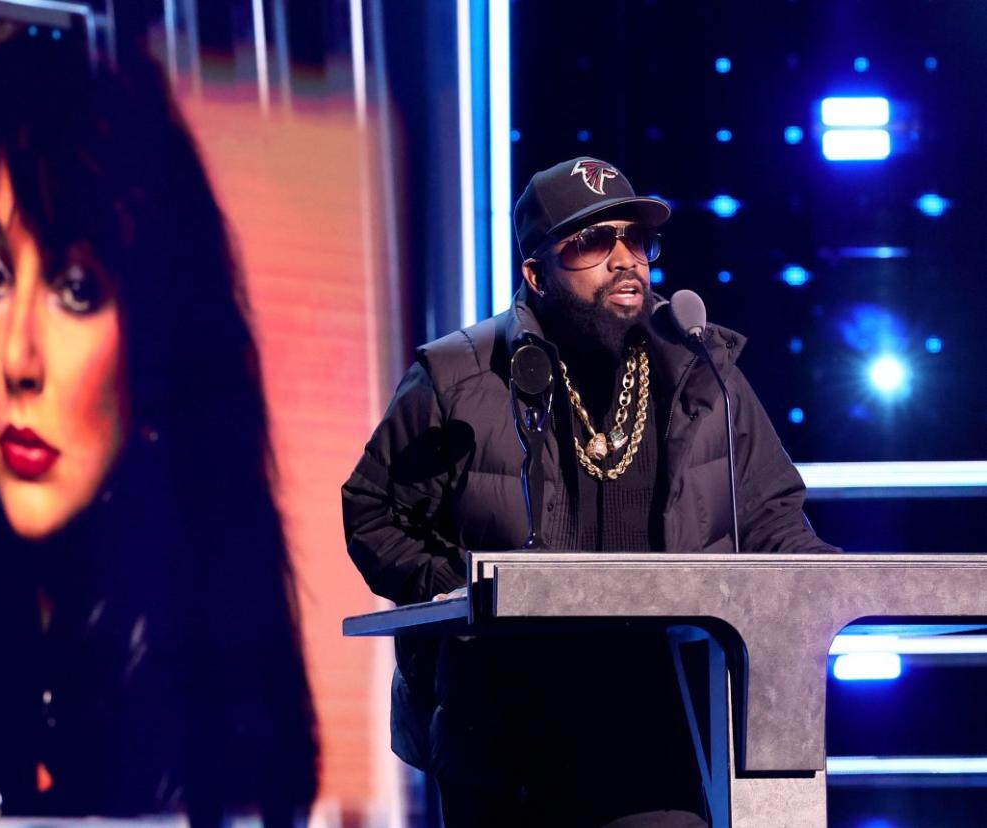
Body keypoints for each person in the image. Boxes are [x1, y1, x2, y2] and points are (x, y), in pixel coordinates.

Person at [0, 31, 318, 823]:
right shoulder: (19, 618)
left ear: (159, 340)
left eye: (76, 287)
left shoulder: (186, 692)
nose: (19, 356)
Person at [342, 156, 837, 826]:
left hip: (661, 724)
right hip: (502, 731)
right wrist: (456, 589)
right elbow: (373, 508)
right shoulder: (459, 376)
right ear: (536, 273)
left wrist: (829, 582)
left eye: (636, 240)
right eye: (592, 243)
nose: (625, 259)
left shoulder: (701, 375)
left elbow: (772, 514)